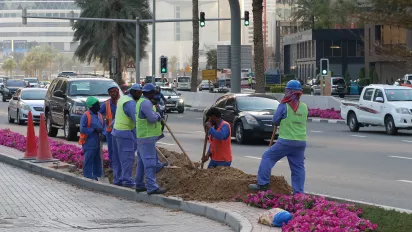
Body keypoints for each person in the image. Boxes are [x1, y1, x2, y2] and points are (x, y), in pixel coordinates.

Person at [248, 80, 308, 194]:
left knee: (267, 157)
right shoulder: (304, 107)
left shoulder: (284, 105)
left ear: (289, 92)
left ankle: (263, 184)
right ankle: (299, 194)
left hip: (286, 140)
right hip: (300, 142)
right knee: (298, 168)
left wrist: (278, 121)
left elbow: (275, 120)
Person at [135, 83, 168, 195]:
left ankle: (139, 184)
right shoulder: (146, 103)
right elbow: (152, 119)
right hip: (147, 137)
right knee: (149, 162)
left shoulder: (140, 101)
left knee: (141, 162)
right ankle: (152, 186)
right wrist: (158, 115)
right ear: (151, 93)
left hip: (142, 136)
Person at [111, 84, 142, 187]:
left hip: (116, 132)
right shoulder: (131, 103)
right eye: (138, 92)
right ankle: (127, 180)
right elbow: (136, 119)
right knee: (127, 157)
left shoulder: (122, 99)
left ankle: (118, 179)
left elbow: (118, 116)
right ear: (133, 92)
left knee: (118, 158)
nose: (140, 94)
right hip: (125, 133)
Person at [79, 97, 105, 180]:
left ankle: (97, 175)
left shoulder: (100, 115)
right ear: (91, 106)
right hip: (89, 141)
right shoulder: (86, 115)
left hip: (98, 141)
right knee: (89, 158)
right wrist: (93, 130)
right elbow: (82, 129)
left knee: (97, 159)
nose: (99, 106)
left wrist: (103, 133)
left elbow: (103, 126)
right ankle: (88, 176)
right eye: (96, 104)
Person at [99, 84, 119, 170]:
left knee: (119, 149)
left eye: (115, 91)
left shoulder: (122, 102)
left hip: (120, 130)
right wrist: (102, 126)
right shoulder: (106, 104)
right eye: (111, 92)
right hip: (110, 131)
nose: (113, 93)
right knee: (111, 149)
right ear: (109, 94)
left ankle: (118, 165)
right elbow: (98, 114)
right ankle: (112, 166)